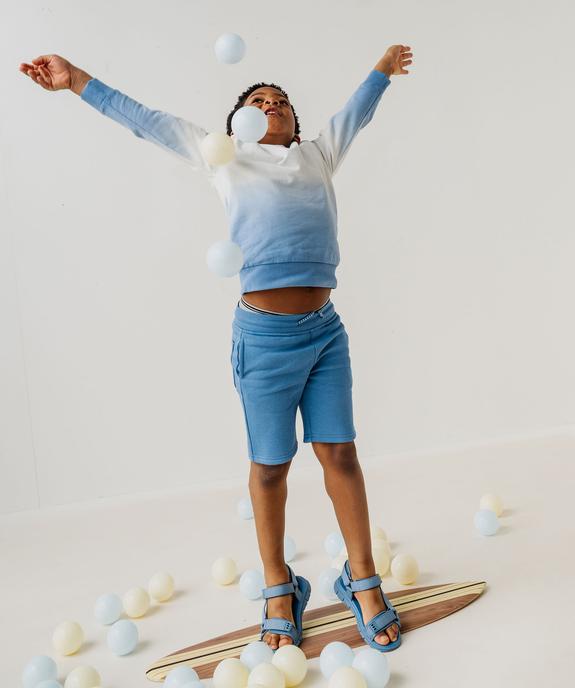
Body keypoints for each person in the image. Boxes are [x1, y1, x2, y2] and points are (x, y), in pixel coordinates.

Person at [19, 43, 413, 652]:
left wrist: (381, 71)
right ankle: (280, 587)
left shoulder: (316, 154)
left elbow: (354, 114)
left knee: (340, 453)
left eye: (280, 100)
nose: (271, 103)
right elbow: (143, 119)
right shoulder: (224, 156)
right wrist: (76, 81)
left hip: (325, 333)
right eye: (258, 100)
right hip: (264, 339)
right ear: (238, 124)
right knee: (270, 466)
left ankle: (361, 579)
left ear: (294, 122)